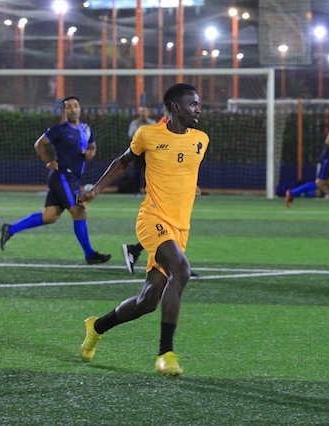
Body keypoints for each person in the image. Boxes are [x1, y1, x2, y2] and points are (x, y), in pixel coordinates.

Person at [79, 83, 208, 376]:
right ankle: (165, 354)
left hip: (180, 228)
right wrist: (96, 189)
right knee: (182, 271)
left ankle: (97, 327)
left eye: (198, 104)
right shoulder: (147, 134)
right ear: (175, 107)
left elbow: (182, 170)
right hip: (152, 218)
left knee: (147, 301)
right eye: (193, 104)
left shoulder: (201, 140)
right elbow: (123, 162)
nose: (198, 109)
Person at [0, 96, 111, 265]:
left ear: (80, 109)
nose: (73, 109)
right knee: (79, 212)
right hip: (63, 177)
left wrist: (90, 153)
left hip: (71, 178)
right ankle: (90, 254)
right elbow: (39, 144)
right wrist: (49, 161)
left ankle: (10, 229)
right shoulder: (59, 130)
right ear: (64, 111)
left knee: (49, 216)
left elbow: (92, 147)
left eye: (75, 106)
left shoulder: (86, 129)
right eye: (69, 107)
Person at [122, 186, 201, 277]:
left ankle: (178, 265)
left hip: (177, 196)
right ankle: (178, 266)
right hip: (163, 199)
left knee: (172, 229)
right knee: (167, 230)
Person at [127, 106, 157, 194]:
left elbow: (155, 134)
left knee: (149, 170)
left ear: (148, 113)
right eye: (142, 111)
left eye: (145, 111)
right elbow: (130, 134)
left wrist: (147, 123)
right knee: (137, 170)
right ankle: (136, 190)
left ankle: (148, 189)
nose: (143, 113)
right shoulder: (134, 123)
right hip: (138, 150)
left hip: (149, 150)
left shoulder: (152, 123)